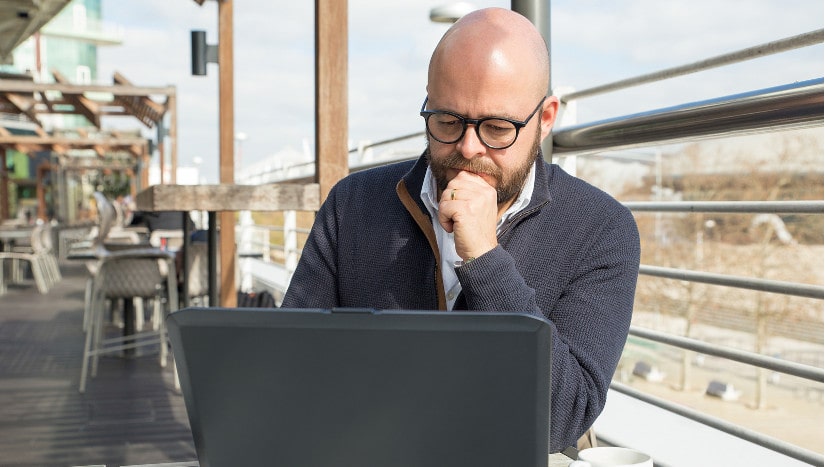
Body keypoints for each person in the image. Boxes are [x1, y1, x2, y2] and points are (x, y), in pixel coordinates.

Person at [281, 7, 640, 453]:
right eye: (447, 121)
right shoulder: (353, 203)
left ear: (546, 118)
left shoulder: (601, 228)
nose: (468, 149)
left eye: (497, 128)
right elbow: (289, 367)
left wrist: (486, 261)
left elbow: (561, 418)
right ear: (428, 101)